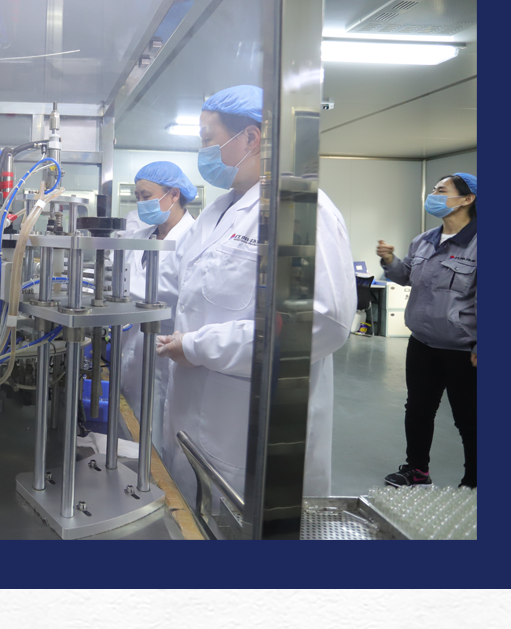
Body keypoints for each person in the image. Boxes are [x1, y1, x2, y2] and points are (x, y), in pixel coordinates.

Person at [154, 85, 356, 508]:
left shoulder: (299, 208)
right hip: (194, 419)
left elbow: (319, 322)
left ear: (250, 138)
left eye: (208, 138)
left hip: (248, 432)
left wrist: (199, 346)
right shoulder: (217, 211)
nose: (202, 151)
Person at [377, 173, 478, 489]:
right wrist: (390, 261)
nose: (433, 195)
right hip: (422, 343)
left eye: (441, 190)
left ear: (467, 199)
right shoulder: (423, 240)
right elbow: (406, 276)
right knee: (418, 409)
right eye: (433, 189)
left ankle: (474, 480)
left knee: (469, 417)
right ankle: (417, 470)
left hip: (464, 349)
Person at [117, 161, 199, 450]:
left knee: (156, 433)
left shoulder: (194, 238)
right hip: (131, 344)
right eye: (137, 197)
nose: (141, 203)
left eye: (147, 196)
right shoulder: (142, 235)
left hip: (166, 348)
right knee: (128, 429)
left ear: (174, 194)